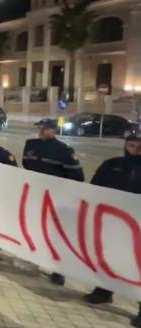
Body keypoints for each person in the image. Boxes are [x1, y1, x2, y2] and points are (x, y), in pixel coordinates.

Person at [82, 134, 141, 312]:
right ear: (125, 146)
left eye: (139, 147)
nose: (135, 150)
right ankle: (103, 292)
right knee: (109, 258)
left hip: (137, 224)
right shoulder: (111, 165)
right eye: (131, 145)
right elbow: (95, 188)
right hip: (112, 223)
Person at [22, 118, 84, 285]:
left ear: (54, 130)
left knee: (55, 233)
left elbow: (77, 177)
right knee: (34, 227)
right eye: (40, 127)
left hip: (56, 198)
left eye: (46, 128)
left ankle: (58, 270)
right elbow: (27, 164)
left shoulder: (64, 150)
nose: (42, 130)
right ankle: (35, 256)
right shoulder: (30, 144)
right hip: (36, 194)